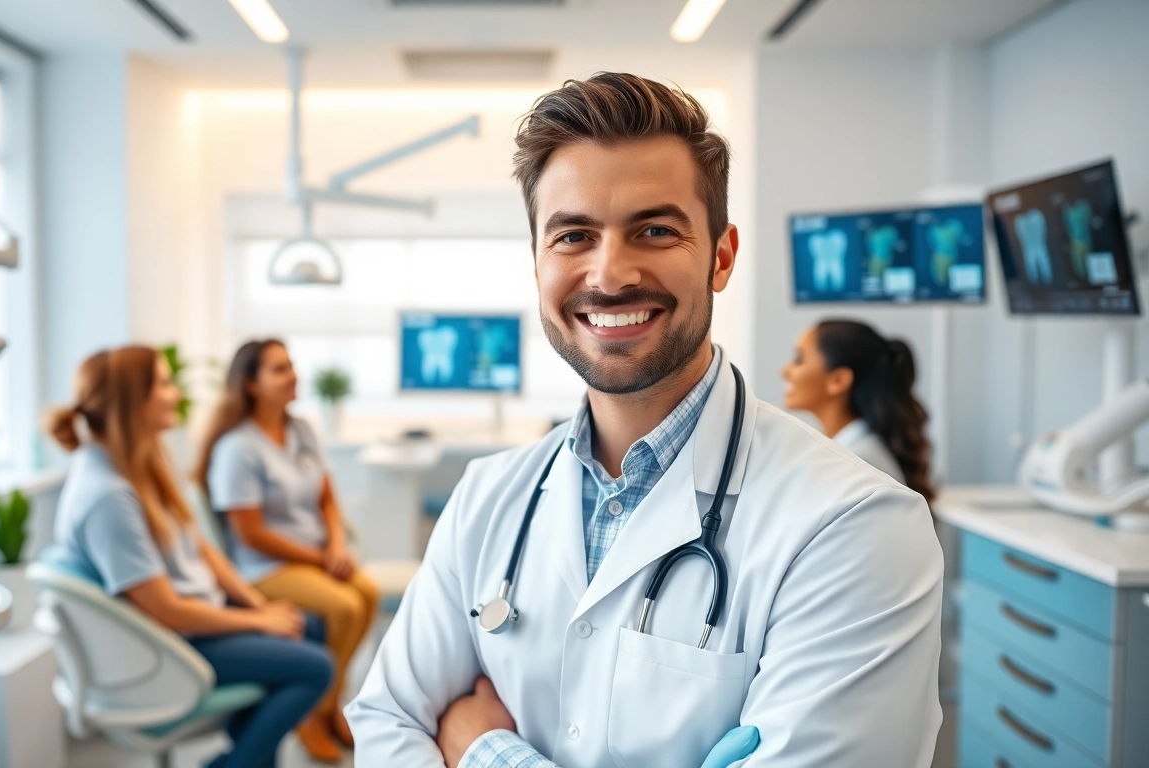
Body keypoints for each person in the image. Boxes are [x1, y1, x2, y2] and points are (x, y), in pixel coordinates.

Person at [346, 73, 943, 768]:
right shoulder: (487, 499)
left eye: (654, 230)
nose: (610, 274)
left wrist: (483, 749)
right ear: (537, 263)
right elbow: (387, 721)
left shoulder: (854, 526)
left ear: (720, 257)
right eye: (573, 236)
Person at [46, 345, 333, 768]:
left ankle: (253, 756)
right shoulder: (108, 496)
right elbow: (166, 611)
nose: (176, 393)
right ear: (133, 400)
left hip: (193, 621)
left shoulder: (136, 463)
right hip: (171, 646)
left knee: (309, 625)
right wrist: (256, 621)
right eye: (164, 383)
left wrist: (254, 602)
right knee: (316, 668)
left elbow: (199, 545)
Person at [195, 339, 380, 763]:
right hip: (265, 567)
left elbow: (327, 497)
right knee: (345, 607)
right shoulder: (236, 448)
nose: (293, 375)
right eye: (279, 369)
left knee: (366, 594)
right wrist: (320, 558)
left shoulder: (302, 430)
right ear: (251, 385)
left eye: (291, 365)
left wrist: (335, 543)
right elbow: (250, 533)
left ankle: (326, 703)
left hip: (314, 556)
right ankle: (318, 711)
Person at [782, 319, 936, 502]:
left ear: (838, 380)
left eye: (799, 359)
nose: (785, 371)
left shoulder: (855, 463)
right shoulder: (851, 452)